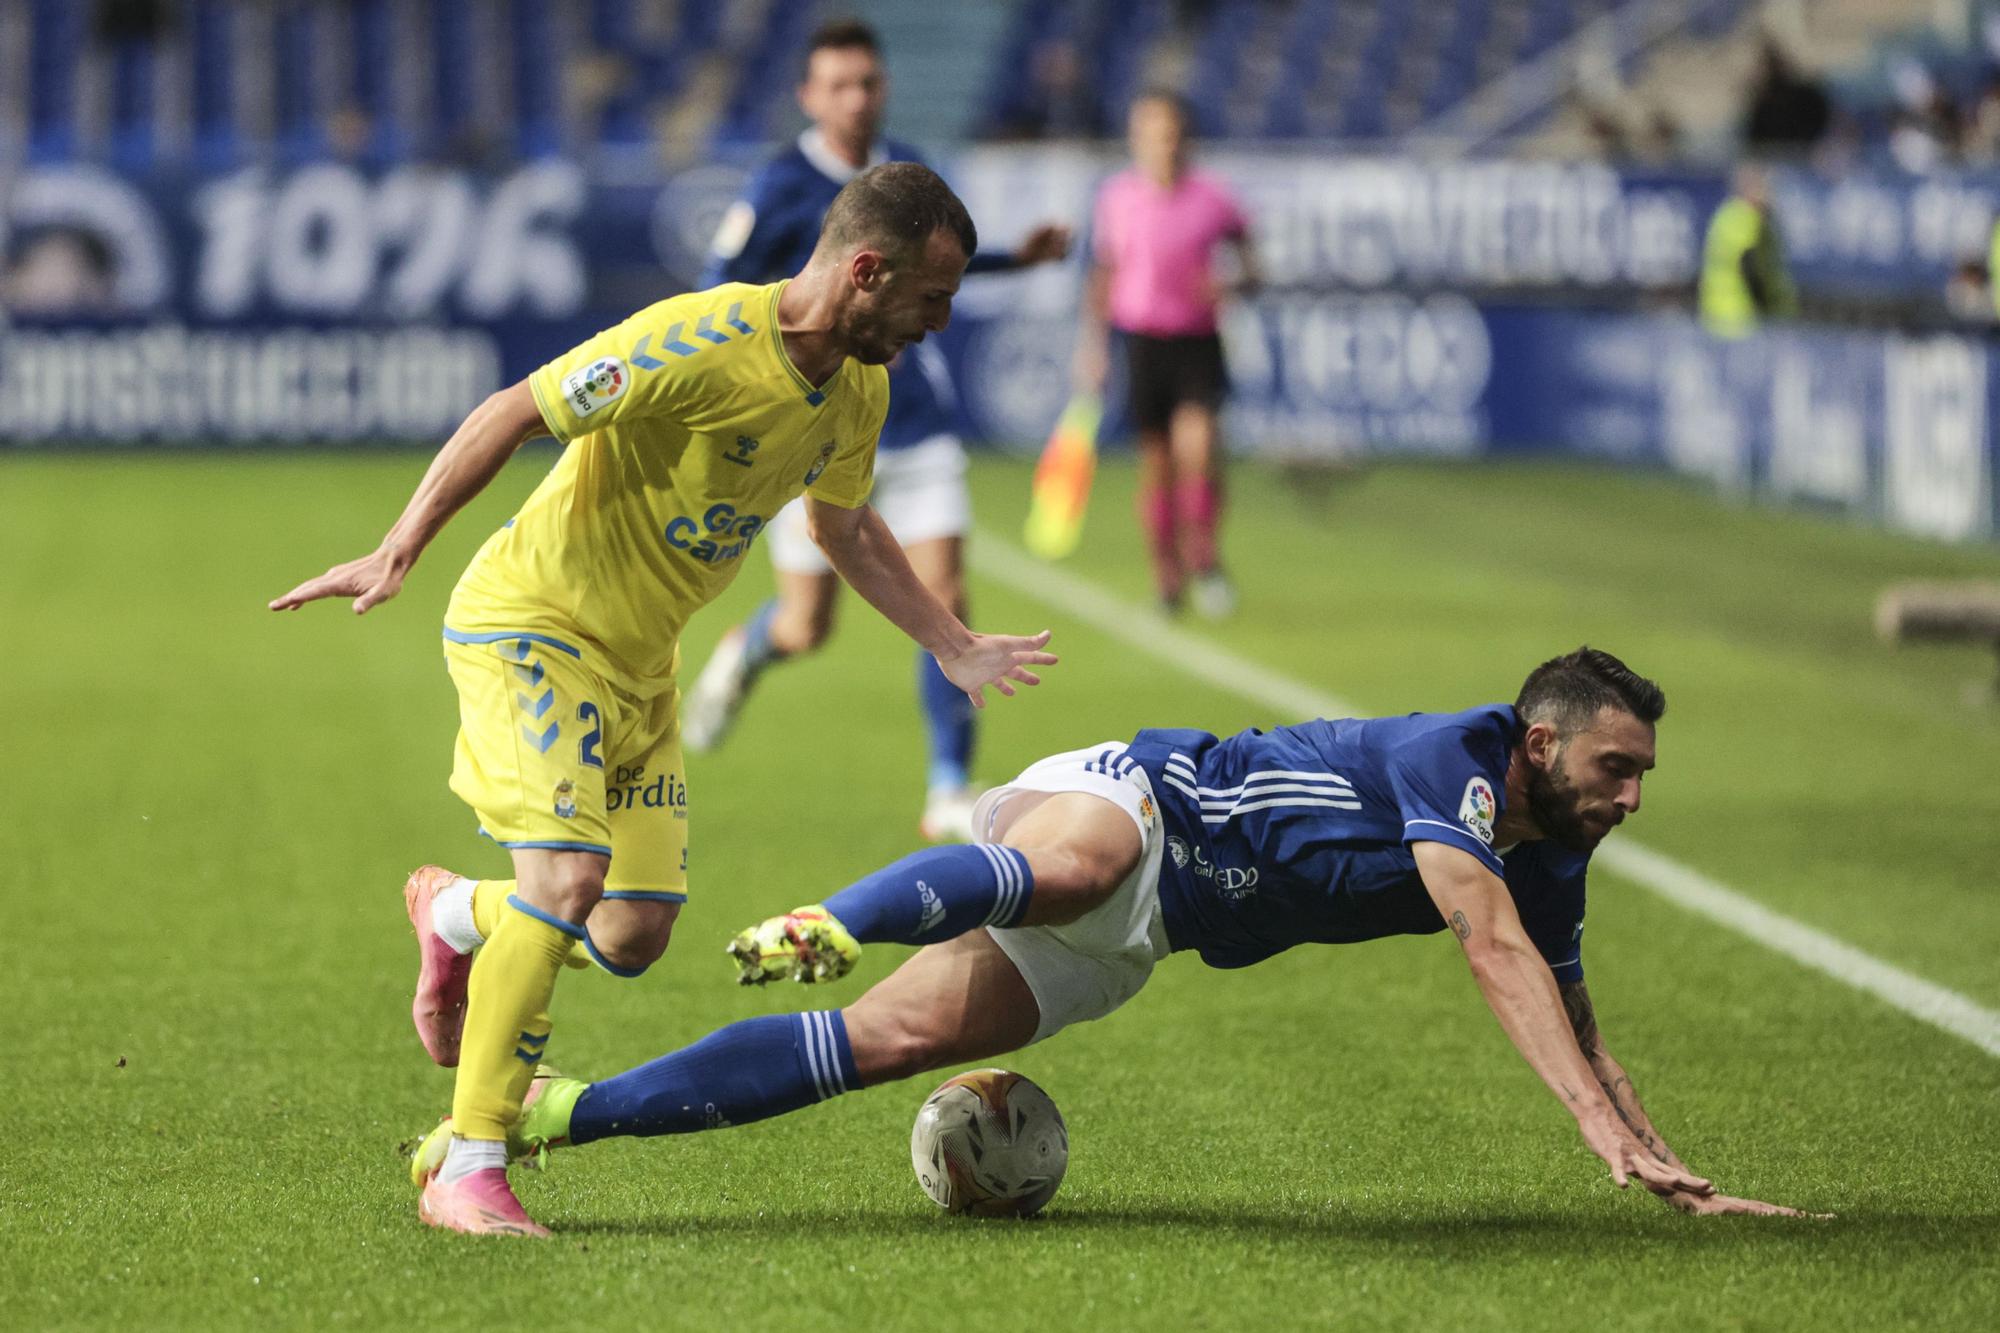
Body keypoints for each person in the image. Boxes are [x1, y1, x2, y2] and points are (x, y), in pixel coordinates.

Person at [270, 162, 1059, 1237]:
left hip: (642, 668)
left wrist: (952, 642)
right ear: (866, 272)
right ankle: (472, 1162)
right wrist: (397, 547)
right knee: (566, 876)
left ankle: (456, 912)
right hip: (532, 629)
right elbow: (516, 407)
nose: (942, 319)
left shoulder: (860, 388)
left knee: (630, 932)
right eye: (933, 295)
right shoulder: (691, 343)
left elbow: (840, 531)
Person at [412, 647, 1825, 1222]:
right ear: (1538, 742)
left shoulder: (1553, 855)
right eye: (1615, 768)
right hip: (1142, 800)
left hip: (1159, 931)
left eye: (1641, 776)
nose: (1630, 795)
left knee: (890, 1041)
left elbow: (1573, 1009)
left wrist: (1654, 1153)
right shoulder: (1449, 762)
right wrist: (1587, 1127)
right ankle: (828, 918)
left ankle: (547, 1114)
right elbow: (1491, 950)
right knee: (1079, 864)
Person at [680, 18, 1072, 843]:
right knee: (806, 625)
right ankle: (746, 651)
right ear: (810, 96)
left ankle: (948, 788)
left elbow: (932, 261)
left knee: (949, 598)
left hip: (913, 423)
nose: (858, 97)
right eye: (841, 84)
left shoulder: (903, 172)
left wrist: (1017, 261)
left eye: (869, 81)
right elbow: (719, 289)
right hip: (815, 424)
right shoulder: (780, 185)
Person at [1076, 89, 1258, 620]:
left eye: (1172, 132)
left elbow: (1251, 263)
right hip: (1141, 341)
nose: (1164, 143)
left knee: (1198, 450)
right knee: (1157, 467)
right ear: (1137, 138)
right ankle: (1167, 581)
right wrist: (1092, 347)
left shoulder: (1214, 198)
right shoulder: (1117, 197)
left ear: (1186, 137)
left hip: (1196, 342)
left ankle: (1204, 556)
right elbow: (1104, 274)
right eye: (1153, 132)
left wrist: (1233, 282)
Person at [1699, 164, 1796, 339]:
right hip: (1742, 317)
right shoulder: (1747, 217)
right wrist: (1765, 305)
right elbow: (1748, 262)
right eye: (1765, 187)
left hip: (1720, 315)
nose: (1771, 194)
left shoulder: (1726, 214)